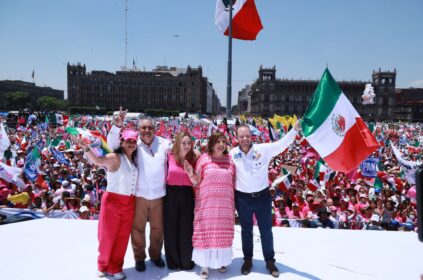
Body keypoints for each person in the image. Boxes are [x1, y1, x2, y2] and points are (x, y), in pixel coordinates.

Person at [230, 122, 300, 277]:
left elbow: (282, 144)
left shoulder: (264, 149)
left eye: (247, 136)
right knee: (246, 231)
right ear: (237, 137)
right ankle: (247, 259)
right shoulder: (232, 154)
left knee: (266, 231)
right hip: (242, 198)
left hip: (262, 197)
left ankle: (270, 261)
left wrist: (294, 130)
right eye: (241, 136)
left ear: (251, 136)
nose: (245, 139)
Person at [107, 107, 171, 272]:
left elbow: (180, 154)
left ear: (155, 129)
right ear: (138, 130)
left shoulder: (165, 144)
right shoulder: (133, 144)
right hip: (139, 195)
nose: (147, 130)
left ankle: (156, 255)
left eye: (150, 127)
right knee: (138, 229)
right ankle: (140, 258)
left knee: (158, 228)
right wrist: (116, 126)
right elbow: (113, 145)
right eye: (143, 128)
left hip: (158, 195)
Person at [77, 129, 138, 280]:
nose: (131, 144)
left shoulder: (134, 160)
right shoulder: (115, 156)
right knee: (107, 236)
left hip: (129, 202)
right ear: (122, 142)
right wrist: (86, 148)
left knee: (122, 237)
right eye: (128, 141)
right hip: (113, 201)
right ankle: (102, 264)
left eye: (134, 141)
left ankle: (115, 267)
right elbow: (98, 161)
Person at [185, 132, 236, 279]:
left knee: (222, 235)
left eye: (223, 141)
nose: (221, 144)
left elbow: (233, 182)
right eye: (217, 141)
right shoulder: (204, 159)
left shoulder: (230, 160)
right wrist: (190, 173)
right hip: (206, 205)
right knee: (206, 233)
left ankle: (221, 261)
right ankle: (205, 264)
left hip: (225, 206)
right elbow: (196, 180)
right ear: (211, 143)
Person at [163, 131, 200, 270]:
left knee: (186, 228)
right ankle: (173, 261)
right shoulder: (169, 156)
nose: (186, 146)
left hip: (186, 194)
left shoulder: (195, 157)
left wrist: (191, 172)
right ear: (178, 143)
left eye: (189, 143)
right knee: (170, 228)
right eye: (183, 143)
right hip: (171, 194)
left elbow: (196, 181)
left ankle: (186, 260)